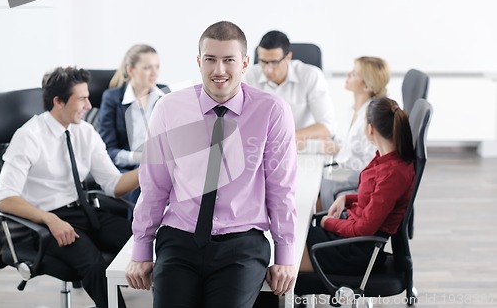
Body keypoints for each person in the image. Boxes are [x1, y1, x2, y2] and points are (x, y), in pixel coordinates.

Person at [125, 21, 298, 308]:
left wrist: (285, 256)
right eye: (210, 59)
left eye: (229, 60)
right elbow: (155, 185)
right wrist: (142, 248)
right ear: (199, 62)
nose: (219, 70)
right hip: (180, 238)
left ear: (244, 64)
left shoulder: (272, 111)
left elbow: (282, 189)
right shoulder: (169, 108)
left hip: (242, 243)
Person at [0, 67, 139, 308]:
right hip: (48, 220)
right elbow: (4, 198)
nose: (89, 104)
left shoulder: (85, 132)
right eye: (82, 98)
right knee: (95, 266)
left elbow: (113, 185)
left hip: (84, 210)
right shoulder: (29, 137)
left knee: (139, 241)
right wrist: (50, 220)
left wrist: (150, 166)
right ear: (58, 101)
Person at [299, 97, 415, 276]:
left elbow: (364, 228)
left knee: (286, 254)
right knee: (290, 237)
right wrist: (345, 198)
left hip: (355, 251)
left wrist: (329, 223)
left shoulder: (393, 173)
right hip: (349, 237)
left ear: (370, 129)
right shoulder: (383, 158)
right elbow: (374, 198)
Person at [97, 44, 170, 206]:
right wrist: (141, 158)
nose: (154, 73)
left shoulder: (164, 94)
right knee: (144, 179)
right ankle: (140, 230)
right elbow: (108, 150)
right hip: (128, 167)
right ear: (131, 70)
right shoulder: (112, 98)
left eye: (157, 67)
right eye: (147, 68)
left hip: (161, 163)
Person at [318, 57, 390, 211]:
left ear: (366, 86)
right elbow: (352, 148)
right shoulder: (353, 110)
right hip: (349, 171)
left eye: (355, 73)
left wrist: (338, 152)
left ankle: (324, 227)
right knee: (315, 178)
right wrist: (336, 149)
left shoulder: (371, 119)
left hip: (360, 178)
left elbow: (371, 166)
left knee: (315, 187)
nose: (348, 74)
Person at [244, 30, 337, 146]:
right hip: (263, 147)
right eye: (263, 61)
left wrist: (285, 137)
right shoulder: (251, 76)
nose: (267, 69)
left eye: (274, 62)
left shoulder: (311, 75)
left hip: (301, 147)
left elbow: (327, 126)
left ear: (288, 57)